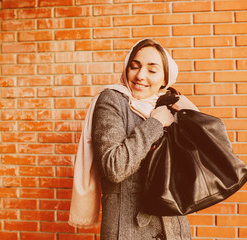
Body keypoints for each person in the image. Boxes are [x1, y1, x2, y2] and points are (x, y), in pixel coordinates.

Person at [69, 39, 198, 240]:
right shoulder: (112, 100)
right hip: (128, 230)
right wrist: (155, 123)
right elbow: (114, 167)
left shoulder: (172, 106)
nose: (140, 76)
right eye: (134, 66)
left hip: (174, 229)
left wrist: (191, 120)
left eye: (152, 70)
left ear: (165, 78)